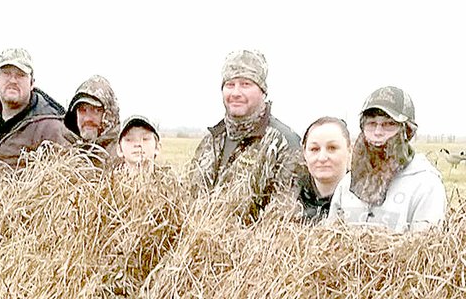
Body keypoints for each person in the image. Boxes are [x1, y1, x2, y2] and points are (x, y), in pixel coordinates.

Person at [189, 49, 301, 221]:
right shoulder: (210, 140)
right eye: (230, 85)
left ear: (262, 91)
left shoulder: (283, 144)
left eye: (245, 84)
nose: (236, 93)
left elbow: (282, 220)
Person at [328, 86, 446, 232]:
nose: (378, 132)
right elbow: (331, 241)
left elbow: (424, 249)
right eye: (371, 124)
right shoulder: (348, 183)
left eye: (389, 124)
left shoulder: (425, 185)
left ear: (407, 130)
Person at [0, 47, 76, 175]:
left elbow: (67, 182)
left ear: (31, 83)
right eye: (6, 73)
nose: (13, 80)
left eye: (20, 75)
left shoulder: (52, 130)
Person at [297, 117, 352, 222]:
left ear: (349, 150)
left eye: (332, 148)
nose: (322, 158)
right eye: (314, 149)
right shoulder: (288, 200)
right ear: (304, 153)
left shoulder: (362, 201)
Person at [63, 75, 120, 166]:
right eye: (82, 110)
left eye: (96, 110)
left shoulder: (122, 153)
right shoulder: (65, 153)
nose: (87, 118)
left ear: (109, 114)